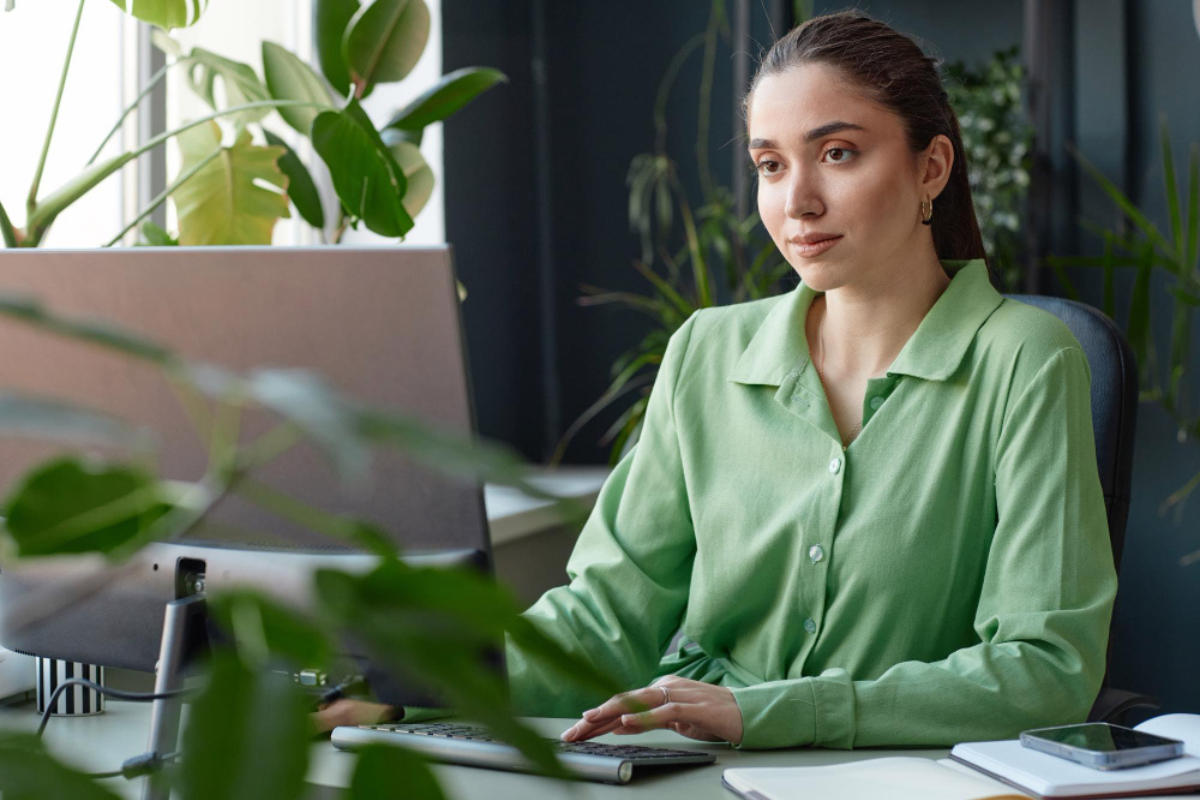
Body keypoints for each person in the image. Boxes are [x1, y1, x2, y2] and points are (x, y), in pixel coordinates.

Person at [318, 10, 1118, 751]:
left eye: (837, 153)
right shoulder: (707, 352)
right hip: (687, 768)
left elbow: (1044, 672)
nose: (797, 201)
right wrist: (408, 693)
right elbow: (606, 620)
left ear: (931, 166)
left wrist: (771, 712)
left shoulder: (1027, 359)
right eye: (771, 165)